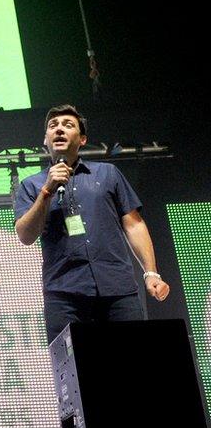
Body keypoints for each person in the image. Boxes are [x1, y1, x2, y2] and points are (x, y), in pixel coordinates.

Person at [14, 104, 170, 343]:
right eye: (52, 126)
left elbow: (134, 225)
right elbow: (25, 235)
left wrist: (151, 273)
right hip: (64, 294)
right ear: (45, 140)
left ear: (82, 139)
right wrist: (47, 191)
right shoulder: (31, 185)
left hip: (118, 289)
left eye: (68, 125)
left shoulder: (108, 173)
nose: (59, 130)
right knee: (75, 372)